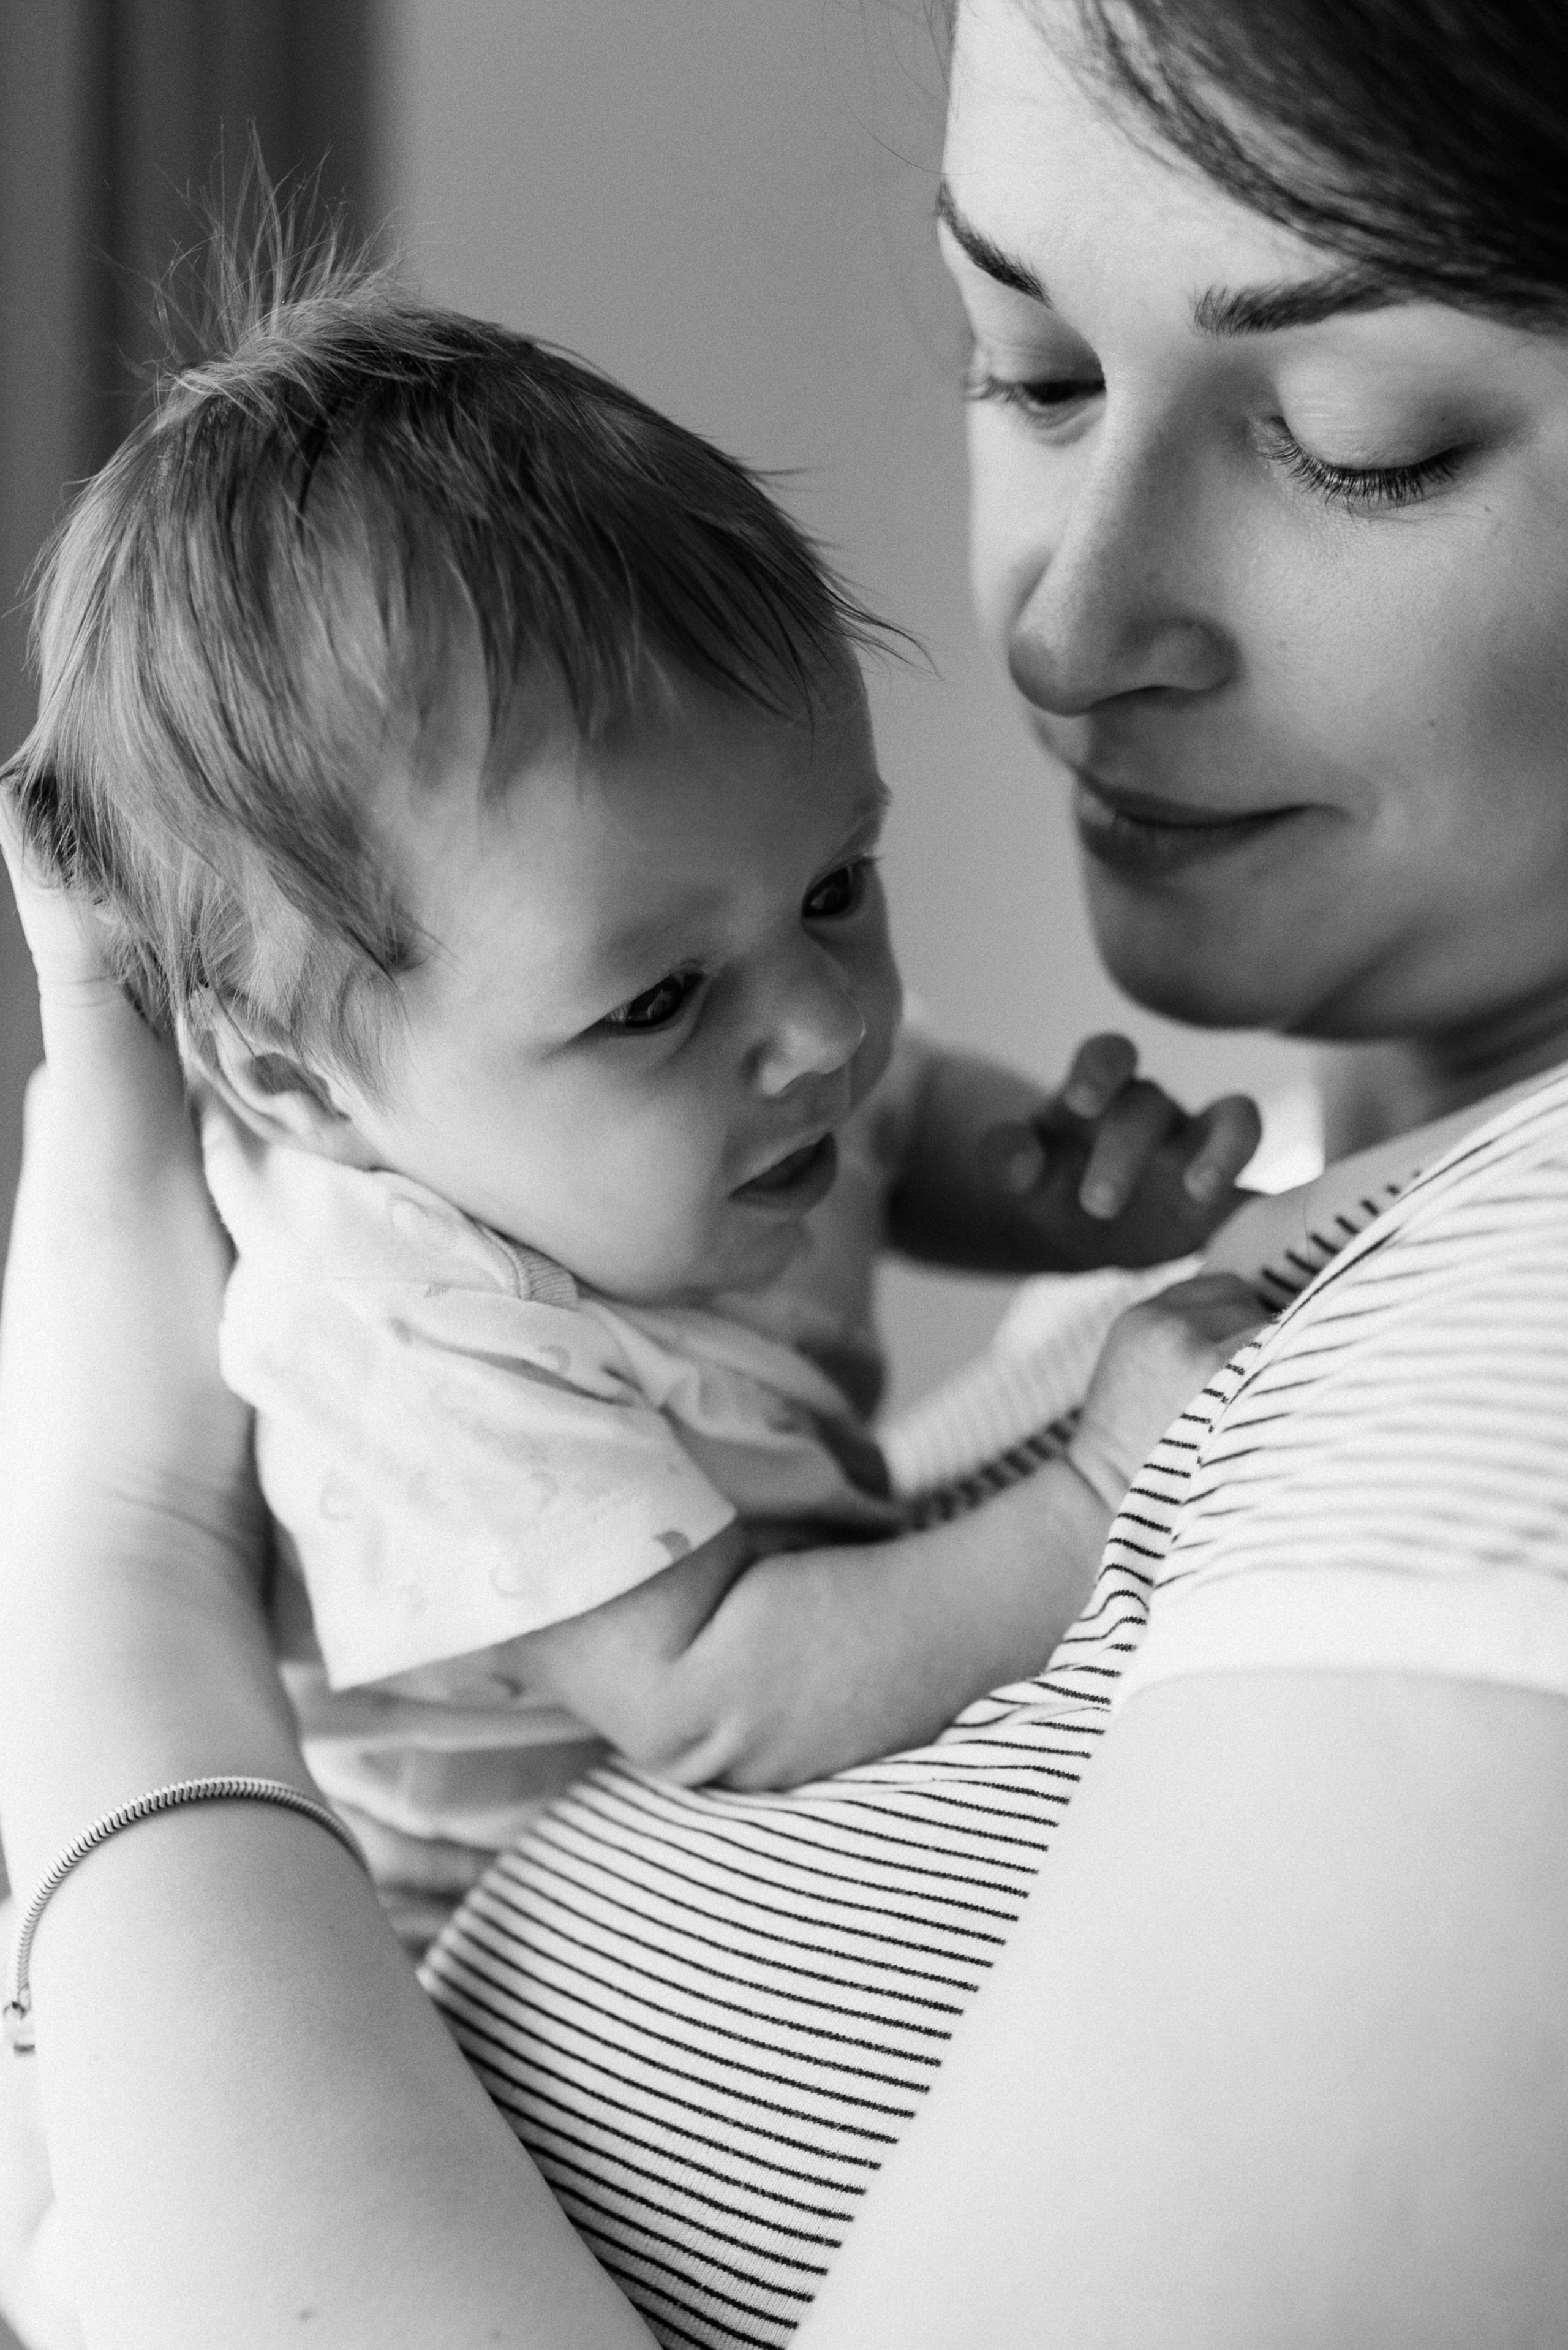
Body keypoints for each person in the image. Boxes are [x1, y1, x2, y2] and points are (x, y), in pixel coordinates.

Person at [2, 0, 1568, 2343]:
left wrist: (110, 1566)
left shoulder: (1491, 1377)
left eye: (1361, 442)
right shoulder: (427, 1325)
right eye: (1025, 367)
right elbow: (729, 1664)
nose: (1056, 624)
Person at [3, 265, 1260, 1960]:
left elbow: (903, 1112)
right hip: (424, 1948)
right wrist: (1104, 1487)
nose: (823, 1023)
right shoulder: (403, 1325)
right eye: (656, 1000)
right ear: (302, 1084)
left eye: (836, 883)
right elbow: (722, 1684)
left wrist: (1053, 1193)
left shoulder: (718, 1064)